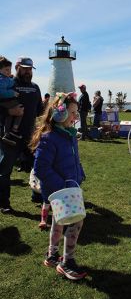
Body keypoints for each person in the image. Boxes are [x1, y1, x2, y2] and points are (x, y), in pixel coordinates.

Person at [30, 92, 87, 280]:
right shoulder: (49, 138)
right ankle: (67, 262)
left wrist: (80, 174)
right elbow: (40, 168)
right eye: (72, 112)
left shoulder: (69, 135)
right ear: (59, 114)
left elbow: (74, 160)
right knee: (76, 220)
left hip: (71, 186)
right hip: (60, 190)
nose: (75, 116)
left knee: (58, 220)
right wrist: (61, 186)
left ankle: (52, 254)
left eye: (76, 112)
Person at [0, 56, 43, 213]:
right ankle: (4, 204)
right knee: (5, 171)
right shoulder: (7, 84)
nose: (28, 71)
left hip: (30, 137)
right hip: (9, 137)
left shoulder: (35, 87)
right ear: (17, 67)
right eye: (24, 68)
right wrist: (8, 111)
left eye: (30, 69)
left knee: (39, 166)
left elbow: (40, 111)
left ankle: (37, 195)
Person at [0, 56, 24, 146]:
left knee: (13, 114)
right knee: (19, 110)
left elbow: (10, 82)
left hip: (7, 102)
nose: (9, 72)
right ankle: (12, 131)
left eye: (10, 70)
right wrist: (12, 93)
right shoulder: (1, 79)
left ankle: (9, 133)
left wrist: (12, 78)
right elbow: (1, 92)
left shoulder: (5, 78)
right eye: (6, 70)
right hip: (4, 101)